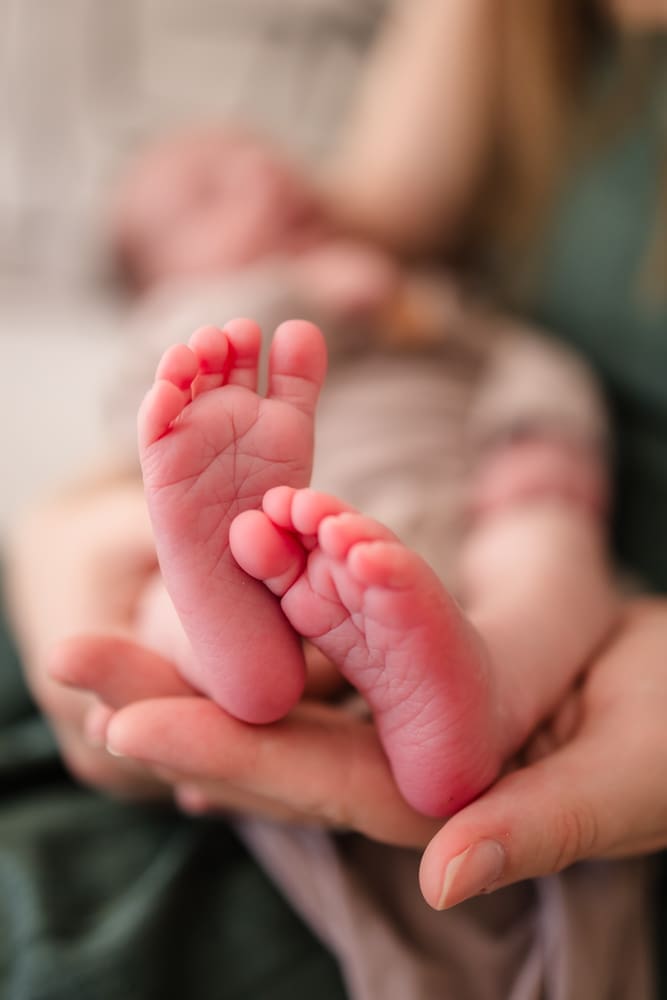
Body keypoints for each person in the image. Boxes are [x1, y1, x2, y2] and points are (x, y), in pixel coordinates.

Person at [4, 0, 667, 996]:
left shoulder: (409, 301)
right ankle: (225, 645)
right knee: (176, 570)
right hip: (312, 500)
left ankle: (481, 689)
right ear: (150, 277)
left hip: (492, 452)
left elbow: (389, 248)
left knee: (546, 561)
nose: (265, 175)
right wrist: (61, 525)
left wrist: (370, 286)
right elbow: (388, 200)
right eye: (205, 194)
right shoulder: (200, 330)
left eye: (261, 158)